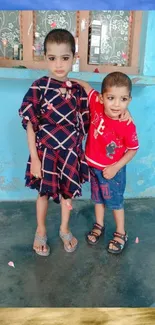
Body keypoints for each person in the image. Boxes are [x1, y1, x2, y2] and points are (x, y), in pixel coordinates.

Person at [18, 29, 90, 256]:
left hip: (70, 153)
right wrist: (35, 159)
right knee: (42, 194)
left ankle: (64, 228)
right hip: (45, 153)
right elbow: (30, 124)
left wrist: (85, 86)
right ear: (45, 58)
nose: (59, 64)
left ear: (74, 58)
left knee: (68, 194)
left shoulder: (79, 90)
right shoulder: (38, 87)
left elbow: (92, 116)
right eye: (52, 58)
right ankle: (40, 230)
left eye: (65, 58)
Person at [73, 72, 139, 254]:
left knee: (115, 202)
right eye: (111, 98)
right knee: (97, 199)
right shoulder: (96, 103)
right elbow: (87, 87)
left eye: (123, 99)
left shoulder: (127, 125)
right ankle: (99, 225)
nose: (117, 104)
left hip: (112, 171)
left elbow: (133, 149)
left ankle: (120, 232)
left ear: (129, 100)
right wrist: (69, 80)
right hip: (93, 167)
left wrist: (116, 167)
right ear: (102, 98)